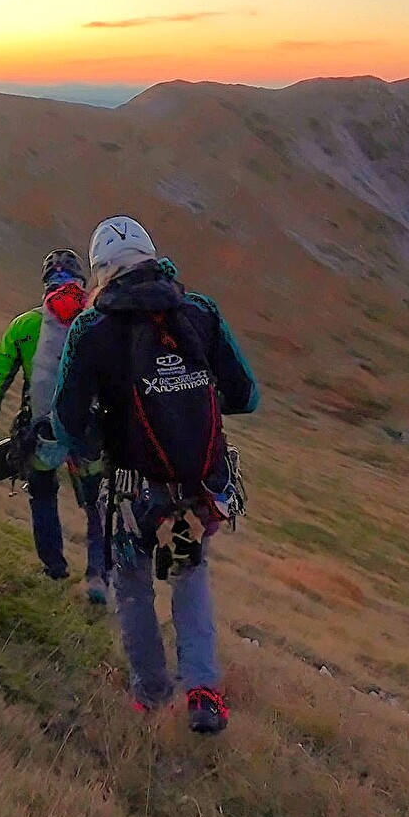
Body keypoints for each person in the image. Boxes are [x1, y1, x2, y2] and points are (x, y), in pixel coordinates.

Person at [39, 217, 260, 733]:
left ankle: (152, 695)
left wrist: (93, 439)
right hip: (201, 486)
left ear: (101, 272)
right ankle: (204, 692)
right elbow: (246, 395)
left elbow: (68, 420)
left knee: (134, 582)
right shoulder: (199, 312)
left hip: (133, 489)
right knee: (190, 573)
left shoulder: (93, 328)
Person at [0, 249, 108, 603]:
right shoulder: (97, 321)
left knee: (43, 494)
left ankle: (54, 570)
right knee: (96, 504)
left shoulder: (25, 326)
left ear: (45, 284)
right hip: (89, 432)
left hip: (42, 432)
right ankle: (97, 578)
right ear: (81, 280)